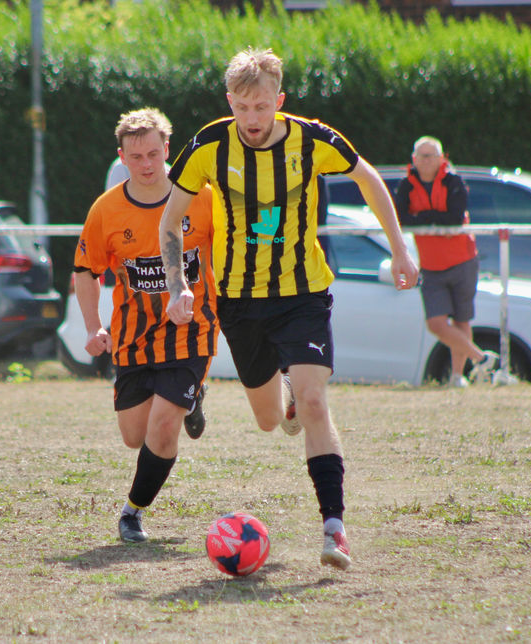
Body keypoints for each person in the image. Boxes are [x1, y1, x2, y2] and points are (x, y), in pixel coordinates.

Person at [159, 47, 419, 571]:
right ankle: (286, 396)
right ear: (229, 102)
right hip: (238, 301)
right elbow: (170, 223)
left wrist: (400, 247)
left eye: (262, 107)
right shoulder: (208, 145)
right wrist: (176, 286)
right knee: (268, 419)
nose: (252, 120)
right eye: (242, 108)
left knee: (316, 401)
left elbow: (369, 180)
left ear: (278, 100)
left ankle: (334, 530)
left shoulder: (312, 139)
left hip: (302, 294)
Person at [74, 107, 218, 543]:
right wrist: (94, 327)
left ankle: (132, 512)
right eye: (136, 157)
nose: (147, 165)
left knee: (163, 425)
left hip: (192, 331)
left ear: (167, 149)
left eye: (154, 154)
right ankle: (193, 402)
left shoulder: (203, 197)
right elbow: (84, 270)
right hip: (134, 338)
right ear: (122, 157)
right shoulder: (107, 209)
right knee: (135, 436)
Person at [393, 136, 498, 388]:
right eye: (421, 156)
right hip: (430, 265)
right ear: (413, 159)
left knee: (462, 320)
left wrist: (425, 217)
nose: (425, 161)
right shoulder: (407, 185)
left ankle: (457, 376)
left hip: (463, 260)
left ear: (441, 159)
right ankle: (481, 358)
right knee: (436, 323)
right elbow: (402, 218)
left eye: (430, 156)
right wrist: (432, 219)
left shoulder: (454, 181)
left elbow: (453, 218)